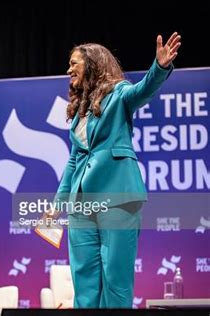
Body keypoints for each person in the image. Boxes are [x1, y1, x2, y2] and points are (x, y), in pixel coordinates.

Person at [53, 32, 181, 308]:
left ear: (93, 64)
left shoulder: (118, 94)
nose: (69, 69)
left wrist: (159, 68)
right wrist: (57, 205)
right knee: (84, 278)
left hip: (117, 199)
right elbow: (74, 160)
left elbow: (143, 90)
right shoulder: (79, 113)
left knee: (115, 277)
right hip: (82, 205)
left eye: (74, 63)